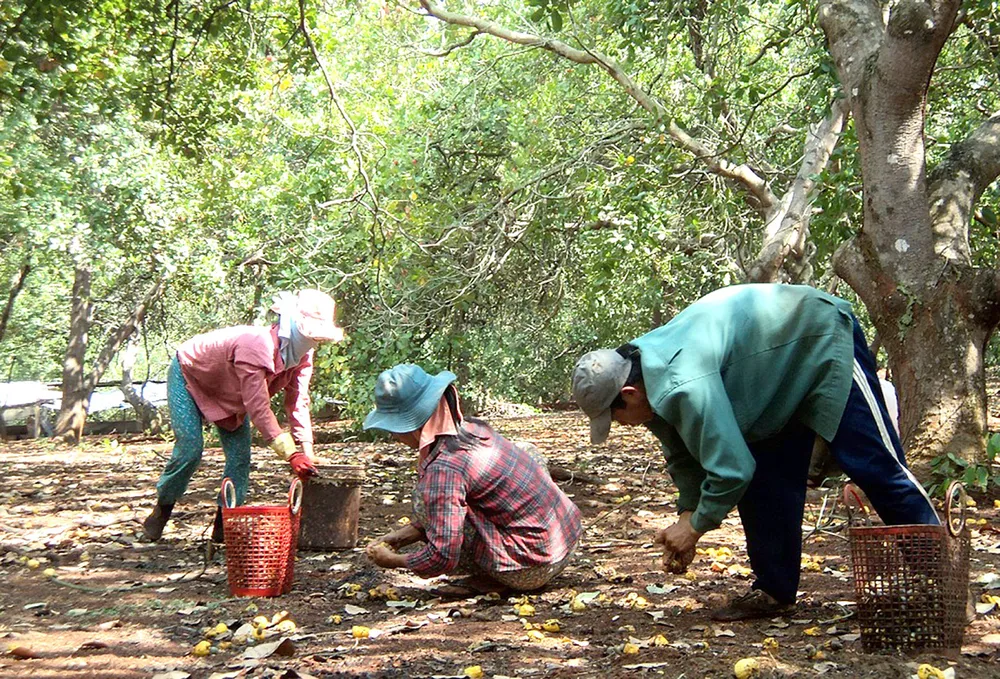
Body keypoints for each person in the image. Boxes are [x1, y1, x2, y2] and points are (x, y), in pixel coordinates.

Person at [572, 283, 938, 621]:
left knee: (876, 469)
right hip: (767, 386)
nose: (621, 426)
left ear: (628, 394)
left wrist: (695, 528)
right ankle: (774, 590)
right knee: (766, 481)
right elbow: (682, 455)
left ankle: (942, 578)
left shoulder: (682, 381)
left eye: (615, 418)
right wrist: (687, 510)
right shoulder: (644, 380)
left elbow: (732, 469)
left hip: (818, 340)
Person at [142, 289, 345, 542]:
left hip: (232, 393)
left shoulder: (303, 355)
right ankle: (161, 511)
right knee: (190, 450)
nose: (315, 342)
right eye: (310, 335)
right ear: (294, 326)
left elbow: (298, 402)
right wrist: (290, 454)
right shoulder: (256, 345)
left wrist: (307, 450)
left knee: (240, 458)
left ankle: (223, 527)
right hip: (191, 374)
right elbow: (258, 406)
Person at [362, 364, 582, 592]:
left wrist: (393, 561)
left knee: (427, 499)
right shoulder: (473, 429)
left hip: (533, 567)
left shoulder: (443, 469)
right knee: (524, 451)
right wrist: (398, 538)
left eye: (394, 428)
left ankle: (499, 580)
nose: (393, 435)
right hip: (566, 541)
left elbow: (442, 557)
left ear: (413, 426)